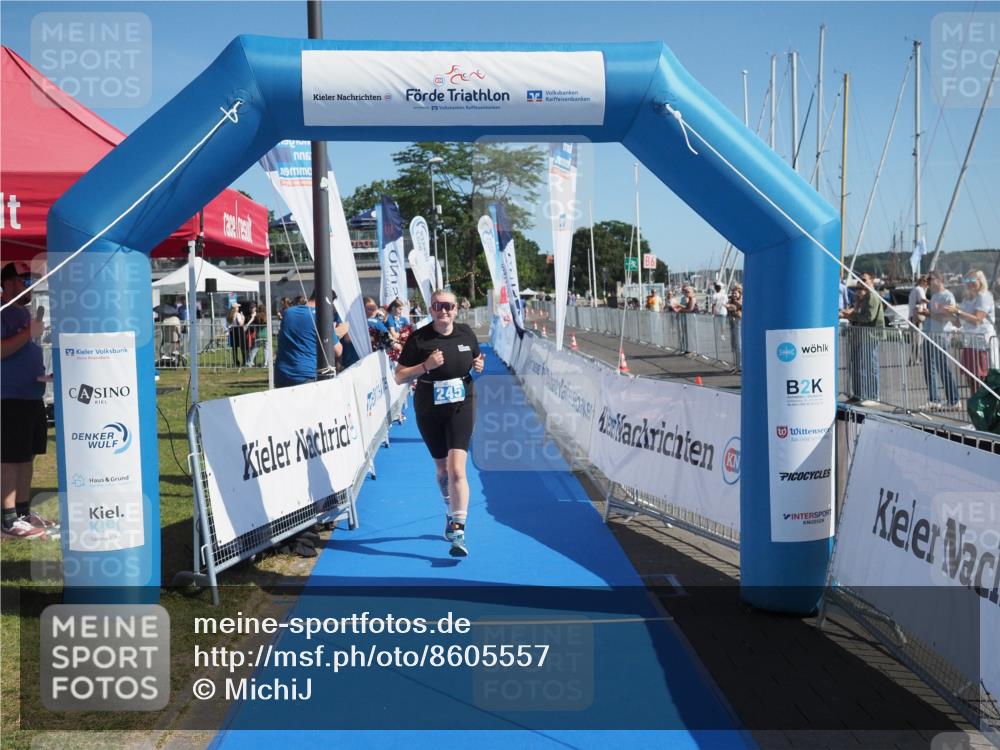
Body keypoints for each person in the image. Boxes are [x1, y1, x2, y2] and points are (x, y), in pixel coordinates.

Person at [395, 290, 485, 557]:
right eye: (438, 306)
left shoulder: (466, 333)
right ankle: (450, 510)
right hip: (429, 407)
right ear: (431, 309)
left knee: (457, 469)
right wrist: (426, 365)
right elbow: (399, 376)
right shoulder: (419, 338)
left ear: (456, 309)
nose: (443, 311)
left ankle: (458, 530)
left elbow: (476, 358)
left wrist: (478, 364)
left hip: (462, 404)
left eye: (448, 306)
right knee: (443, 470)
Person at [1, 263, 56, 539]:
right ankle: (8, 519)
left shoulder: (23, 312)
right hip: (9, 397)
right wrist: (28, 334)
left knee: (27, 456)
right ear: (9, 283)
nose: (31, 286)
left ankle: (22, 513)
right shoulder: (2, 312)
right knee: (10, 458)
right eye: (26, 281)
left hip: (32, 395)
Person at [274, 289, 343, 388]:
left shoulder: (289, 312)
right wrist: (336, 333)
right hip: (305, 376)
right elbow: (338, 351)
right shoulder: (321, 318)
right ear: (329, 302)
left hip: (282, 374)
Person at [946, 269, 997, 394]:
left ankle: (985, 404)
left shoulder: (985, 297)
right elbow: (960, 322)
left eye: (972, 279)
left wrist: (958, 312)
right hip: (969, 343)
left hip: (982, 344)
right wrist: (949, 315)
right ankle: (975, 403)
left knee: (982, 378)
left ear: (981, 281)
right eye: (967, 279)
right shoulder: (966, 299)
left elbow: (977, 320)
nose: (969, 282)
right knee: (971, 378)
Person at [839, 272, 884, 406]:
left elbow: (869, 317)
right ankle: (858, 394)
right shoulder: (862, 297)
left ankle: (873, 396)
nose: (861, 283)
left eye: (864, 280)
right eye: (859, 281)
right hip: (859, 335)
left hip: (870, 335)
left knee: (869, 365)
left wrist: (850, 316)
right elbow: (858, 313)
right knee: (857, 365)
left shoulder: (872, 296)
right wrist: (854, 308)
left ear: (872, 281)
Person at [921, 271, 959, 410]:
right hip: (930, 335)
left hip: (942, 336)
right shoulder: (934, 296)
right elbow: (932, 316)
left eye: (930, 279)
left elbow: (950, 318)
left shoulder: (948, 296)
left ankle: (954, 400)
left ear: (939, 280)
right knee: (928, 368)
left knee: (943, 368)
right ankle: (934, 399)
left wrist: (930, 314)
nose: (928, 282)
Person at [907, 275, 929, 365]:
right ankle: (915, 359)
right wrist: (932, 303)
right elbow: (922, 300)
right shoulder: (920, 289)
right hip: (917, 317)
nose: (928, 285)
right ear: (923, 282)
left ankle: (913, 358)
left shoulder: (914, 290)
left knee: (914, 339)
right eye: (927, 282)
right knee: (918, 339)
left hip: (911, 316)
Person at [725, 283, 743, 372]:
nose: (733, 295)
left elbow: (740, 313)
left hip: (739, 324)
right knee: (734, 345)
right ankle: (736, 364)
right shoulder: (730, 301)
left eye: (735, 293)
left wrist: (734, 308)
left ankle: (740, 365)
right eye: (732, 293)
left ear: (740, 293)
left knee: (739, 345)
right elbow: (729, 309)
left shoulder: (741, 301)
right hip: (732, 324)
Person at [226, 302, 246, 367]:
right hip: (239, 331)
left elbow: (227, 325)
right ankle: (244, 361)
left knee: (234, 348)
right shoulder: (238, 314)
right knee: (242, 347)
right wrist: (243, 318)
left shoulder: (229, 315)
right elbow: (241, 324)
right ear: (235, 308)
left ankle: (236, 362)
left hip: (232, 331)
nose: (238, 308)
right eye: (237, 307)